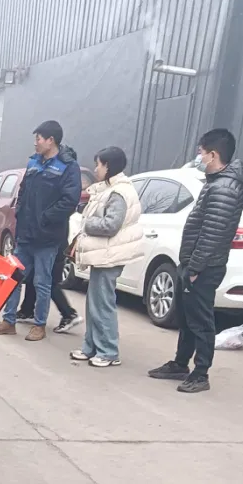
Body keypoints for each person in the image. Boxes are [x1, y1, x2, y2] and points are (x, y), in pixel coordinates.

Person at [148, 129, 243, 393]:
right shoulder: (216, 183)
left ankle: (201, 373)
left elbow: (213, 233)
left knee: (201, 321)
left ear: (213, 154)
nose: (199, 157)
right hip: (194, 264)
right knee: (187, 315)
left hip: (204, 266)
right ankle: (181, 363)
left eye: (202, 153)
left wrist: (195, 268)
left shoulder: (225, 187)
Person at [0, 120, 82, 341]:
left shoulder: (68, 167)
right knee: (12, 278)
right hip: (25, 236)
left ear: (51, 140)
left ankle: (39, 325)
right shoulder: (33, 163)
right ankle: (8, 320)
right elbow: (23, 191)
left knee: (42, 282)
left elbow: (70, 201)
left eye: (39, 139)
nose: (35, 143)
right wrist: (20, 212)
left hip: (47, 238)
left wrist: (45, 219)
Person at [67, 147, 144, 367]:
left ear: (108, 166)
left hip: (109, 255)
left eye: (98, 164)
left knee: (102, 304)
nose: (95, 169)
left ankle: (109, 351)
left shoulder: (119, 192)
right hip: (104, 254)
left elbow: (111, 224)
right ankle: (91, 347)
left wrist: (85, 222)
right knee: (94, 303)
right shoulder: (109, 188)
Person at [16, 239, 82, 333]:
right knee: (33, 276)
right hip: (49, 244)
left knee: (48, 283)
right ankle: (26, 310)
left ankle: (69, 314)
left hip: (52, 245)